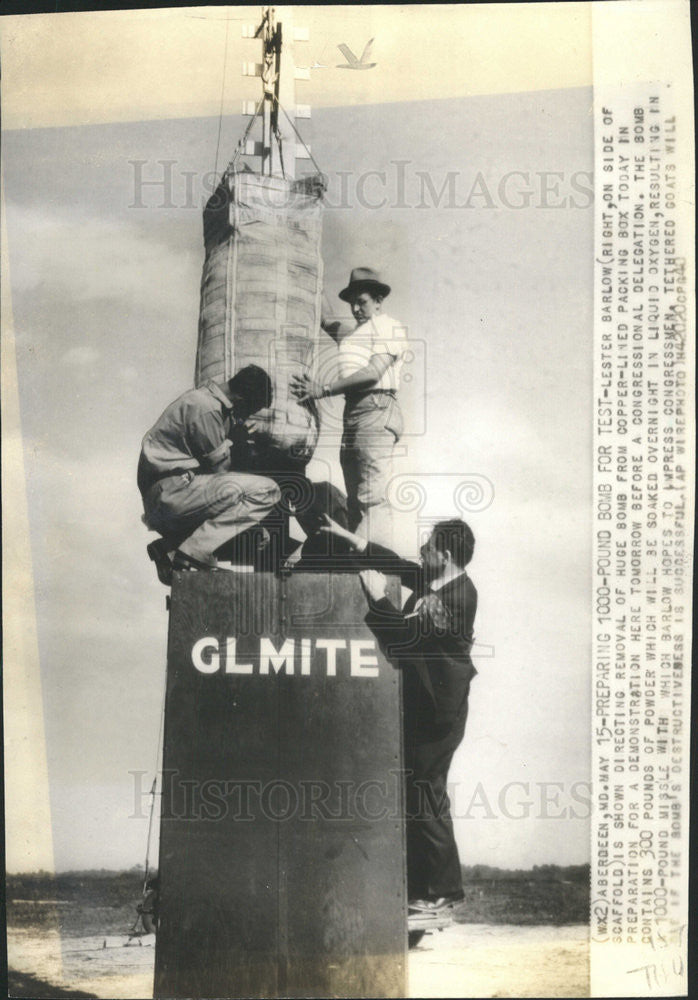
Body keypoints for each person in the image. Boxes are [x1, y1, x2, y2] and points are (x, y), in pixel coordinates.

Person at [319, 515, 478, 910]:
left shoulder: (458, 597)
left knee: (427, 794)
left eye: (428, 546)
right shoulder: (439, 580)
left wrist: (378, 598)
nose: (421, 550)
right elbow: (402, 567)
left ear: (444, 554)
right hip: (428, 706)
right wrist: (356, 543)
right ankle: (423, 889)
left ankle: (442, 891)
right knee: (417, 793)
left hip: (441, 714)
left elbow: (407, 638)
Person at [290, 267, 405, 547]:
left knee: (372, 498)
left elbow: (372, 372)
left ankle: (375, 570)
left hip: (376, 409)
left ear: (378, 301)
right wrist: (310, 275)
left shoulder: (387, 324)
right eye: (352, 302)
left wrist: (322, 390)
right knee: (356, 501)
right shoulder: (354, 335)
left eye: (362, 301)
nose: (355, 308)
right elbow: (328, 319)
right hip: (354, 414)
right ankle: (360, 568)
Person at [138, 365, 281, 584]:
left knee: (249, 529)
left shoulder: (204, 400)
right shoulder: (207, 408)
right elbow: (221, 473)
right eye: (249, 411)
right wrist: (240, 442)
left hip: (169, 495)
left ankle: (170, 549)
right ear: (242, 399)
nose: (246, 417)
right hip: (172, 494)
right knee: (268, 490)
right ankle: (191, 551)